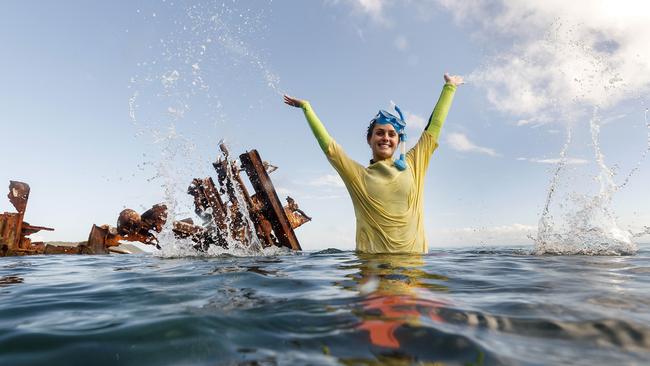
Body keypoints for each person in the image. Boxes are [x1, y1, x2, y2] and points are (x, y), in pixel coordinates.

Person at [284, 73, 463, 253]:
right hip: (372, 271)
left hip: (412, 272)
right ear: (369, 139)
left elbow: (434, 128)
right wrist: (306, 108)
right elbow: (330, 148)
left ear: (399, 141)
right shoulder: (358, 175)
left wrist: (450, 87)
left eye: (392, 134)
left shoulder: (414, 163)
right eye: (380, 133)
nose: (386, 138)